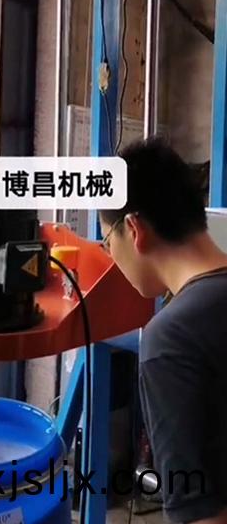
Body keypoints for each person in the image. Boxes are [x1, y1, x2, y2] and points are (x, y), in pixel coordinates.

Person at [100, 137, 227, 524]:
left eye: (107, 242)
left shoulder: (170, 340)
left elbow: (200, 515)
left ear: (134, 229)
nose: (111, 256)